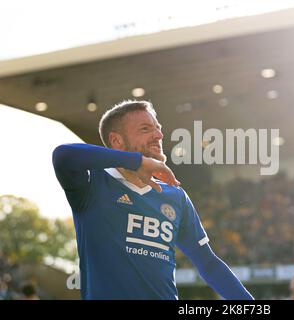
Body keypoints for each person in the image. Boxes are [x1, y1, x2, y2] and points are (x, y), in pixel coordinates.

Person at [52, 100, 253, 300]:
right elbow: (62, 156)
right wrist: (136, 161)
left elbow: (209, 264)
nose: (158, 135)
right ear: (117, 141)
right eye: (146, 129)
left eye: (158, 128)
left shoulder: (175, 195)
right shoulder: (92, 184)